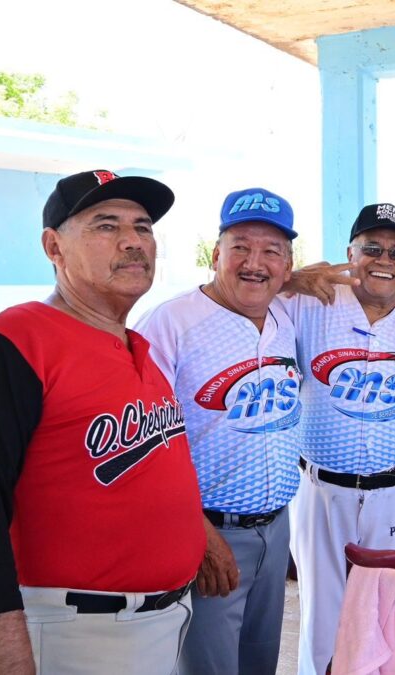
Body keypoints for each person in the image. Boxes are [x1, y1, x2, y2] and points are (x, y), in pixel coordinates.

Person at [0, 170, 205, 674]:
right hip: (72, 632)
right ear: (53, 247)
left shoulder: (138, 345)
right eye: (105, 226)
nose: (132, 241)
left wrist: (199, 535)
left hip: (163, 623)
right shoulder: (7, 347)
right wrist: (5, 659)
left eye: (143, 227)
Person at [134, 187, 302, 674]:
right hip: (209, 531)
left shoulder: (286, 316)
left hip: (276, 525)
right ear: (215, 255)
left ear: (288, 266)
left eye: (272, 251)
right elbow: (147, 447)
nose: (255, 262)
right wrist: (200, 534)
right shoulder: (170, 323)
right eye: (241, 247)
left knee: (258, 663)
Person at [282, 203, 395, 674]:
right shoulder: (307, 305)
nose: (384, 259)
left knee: (387, 609)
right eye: (371, 247)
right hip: (321, 489)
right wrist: (291, 278)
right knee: (323, 619)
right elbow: (248, 290)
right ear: (350, 253)